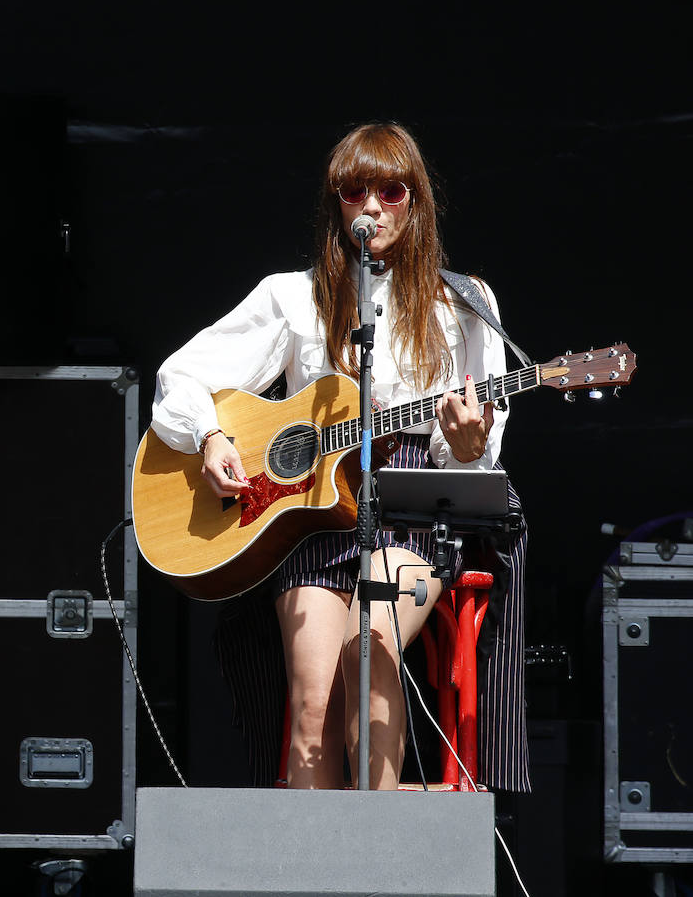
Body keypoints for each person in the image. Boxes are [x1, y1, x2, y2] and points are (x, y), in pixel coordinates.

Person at [151, 122, 529, 791]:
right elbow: (181, 374)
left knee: (370, 637)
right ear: (338, 204)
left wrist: (468, 449)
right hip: (313, 519)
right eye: (357, 191)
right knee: (310, 709)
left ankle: (382, 847)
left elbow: (473, 451)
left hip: (416, 512)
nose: (374, 207)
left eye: (391, 190)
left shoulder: (464, 301)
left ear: (417, 201)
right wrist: (208, 435)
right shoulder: (291, 298)